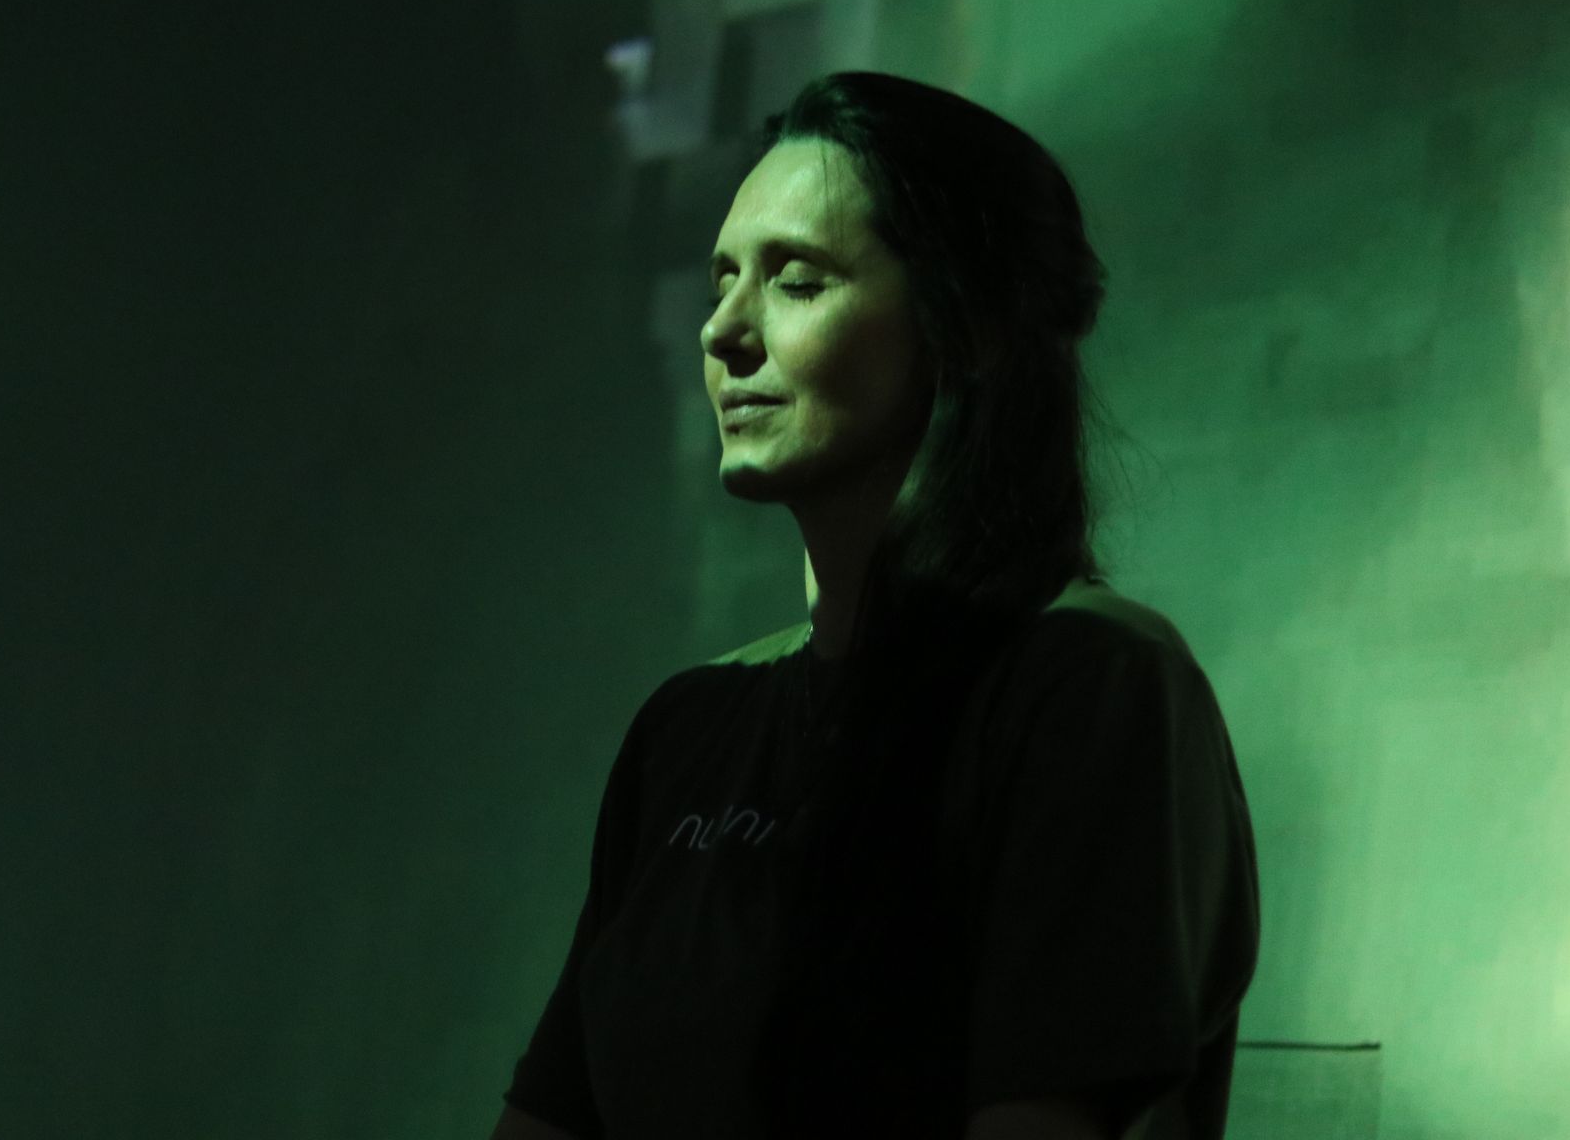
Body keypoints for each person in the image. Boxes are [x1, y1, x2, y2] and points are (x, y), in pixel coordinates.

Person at [490, 71, 1260, 1140]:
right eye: (721, 281)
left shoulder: (1087, 682)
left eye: (797, 281)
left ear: (967, 324)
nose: (723, 330)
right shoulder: (688, 729)